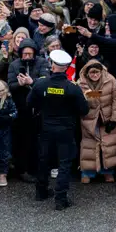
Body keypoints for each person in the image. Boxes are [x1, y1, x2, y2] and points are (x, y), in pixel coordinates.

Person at [29, 49, 90, 210]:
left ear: (52, 65)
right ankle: (60, 198)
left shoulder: (41, 84)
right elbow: (84, 110)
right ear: (66, 67)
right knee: (64, 163)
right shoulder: (72, 88)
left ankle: (41, 191)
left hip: (46, 127)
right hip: (65, 129)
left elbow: (30, 103)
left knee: (43, 159)